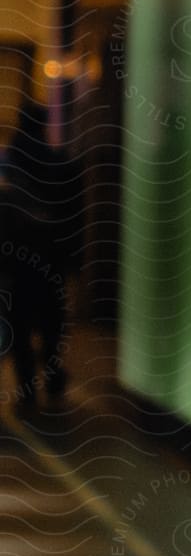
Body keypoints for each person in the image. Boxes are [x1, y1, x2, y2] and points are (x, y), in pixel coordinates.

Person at [0, 82, 81, 407]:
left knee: (18, 324)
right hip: (49, 258)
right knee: (50, 322)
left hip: (15, 262)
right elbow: (73, 214)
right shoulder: (60, 165)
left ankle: (27, 387)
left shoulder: (10, 165)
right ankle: (51, 374)